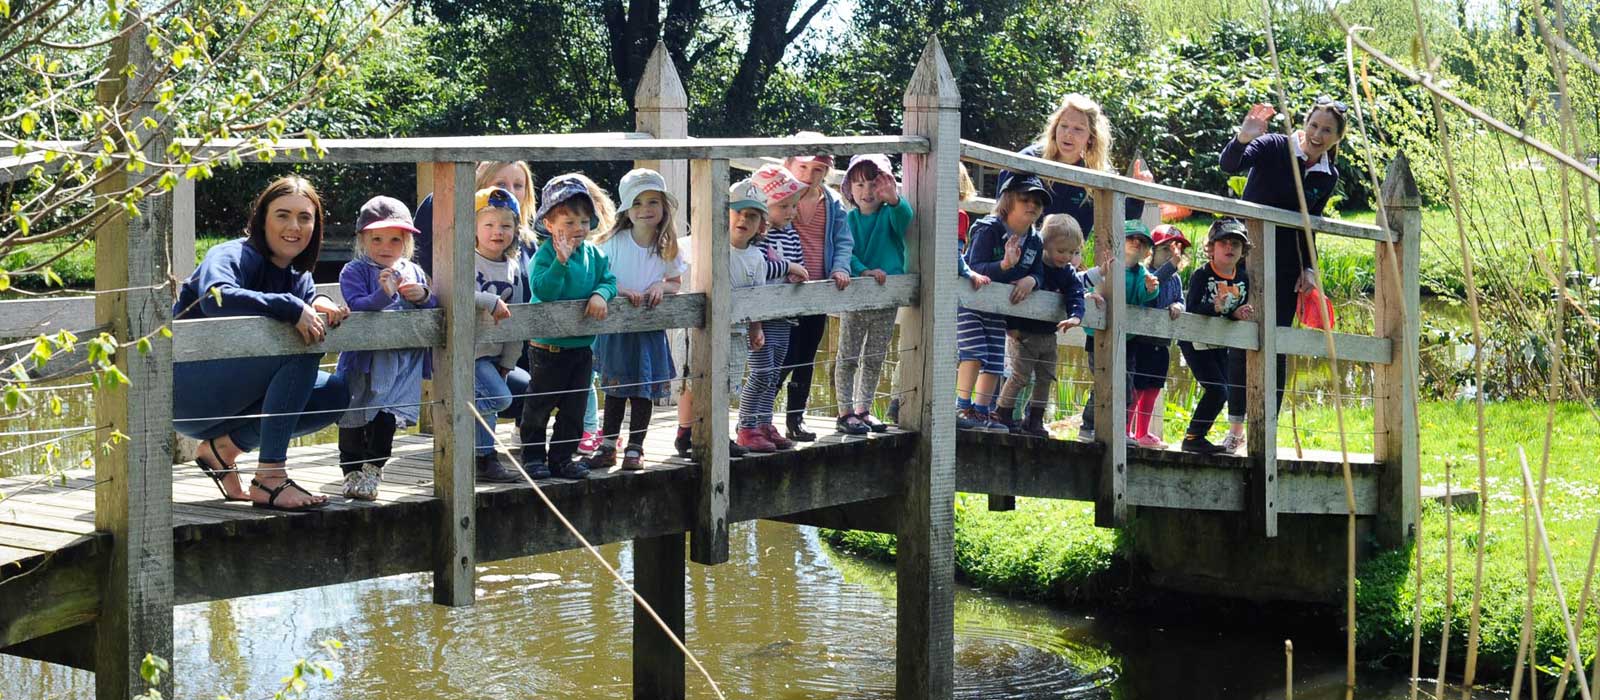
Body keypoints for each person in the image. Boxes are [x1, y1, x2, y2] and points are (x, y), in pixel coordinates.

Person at [172, 176, 350, 511]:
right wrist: (291, 306)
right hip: (181, 391)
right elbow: (215, 298)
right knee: (298, 342)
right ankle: (270, 479)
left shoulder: (299, 275)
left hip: (228, 405)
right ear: (261, 218)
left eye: (304, 217)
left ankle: (223, 449)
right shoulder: (231, 254)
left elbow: (304, 299)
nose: (293, 226)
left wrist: (318, 301)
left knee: (334, 393)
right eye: (282, 215)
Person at [1220, 97, 1346, 413]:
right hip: (1246, 259)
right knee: (1240, 338)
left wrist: (1308, 269)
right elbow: (1230, 164)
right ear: (1305, 122)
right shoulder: (1273, 146)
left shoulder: (1328, 175)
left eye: (1327, 130)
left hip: (1287, 269)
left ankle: (1269, 427)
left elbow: (1309, 225)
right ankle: (1237, 425)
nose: (1318, 135)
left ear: (1337, 137)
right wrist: (1244, 136)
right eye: (1314, 125)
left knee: (1276, 344)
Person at [335, 196, 437, 500]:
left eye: (395, 239)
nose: (385, 246)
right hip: (364, 361)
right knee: (353, 415)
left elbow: (432, 306)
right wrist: (384, 294)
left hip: (402, 363)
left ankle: (373, 471)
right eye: (376, 238)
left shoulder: (413, 271)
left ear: (405, 242)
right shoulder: (353, 271)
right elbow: (359, 306)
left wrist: (421, 296)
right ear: (363, 240)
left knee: (386, 418)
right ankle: (350, 471)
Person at [520, 175, 618, 479]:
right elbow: (544, 291)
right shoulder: (545, 255)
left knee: (575, 409)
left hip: (581, 346)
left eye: (584, 221)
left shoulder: (594, 254)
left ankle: (562, 458)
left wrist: (602, 293)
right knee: (539, 404)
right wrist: (560, 262)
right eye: (569, 222)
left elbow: (609, 280)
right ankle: (534, 457)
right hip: (548, 346)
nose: (578, 229)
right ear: (549, 225)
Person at [591, 169, 685, 470]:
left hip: (649, 329)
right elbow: (598, 278)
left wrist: (660, 286)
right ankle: (607, 445)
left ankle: (635, 448)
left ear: (663, 207)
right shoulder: (613, 242)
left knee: (644, 392)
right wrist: (619, 290)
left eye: (653, 202)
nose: (645, 209)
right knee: (616, 390)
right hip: (617, 329)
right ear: (626, 210)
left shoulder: (667, 245)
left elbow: (675, 282)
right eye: (638, 203)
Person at [957, 173, 1051, 433]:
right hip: (971, 303)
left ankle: (981, 411)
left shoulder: (1034, 240)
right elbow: (973, 267)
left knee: (996, 361)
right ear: (1009, 199)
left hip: (998, 310)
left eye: (1038, 202)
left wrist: (1031, 280)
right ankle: (962, 407)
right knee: (975, 353)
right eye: (1025, 199)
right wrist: (1004, 265)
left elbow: (1040, 273)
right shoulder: (989, 229)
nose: (1032, 205)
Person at [776, 137, 855, 441]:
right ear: (789, 165)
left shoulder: (832, 203)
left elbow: (844, 240)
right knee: (783, 354)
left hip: (818, 289)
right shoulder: (780, 199)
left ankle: (796, 418)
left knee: (806, 355)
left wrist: (840, 267)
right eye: (803, 167)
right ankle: (757, 418)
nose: (809, 175)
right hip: (784, 289)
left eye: (818, 169)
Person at [834, 154, 911, 436]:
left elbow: (905, 220)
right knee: (848, 356)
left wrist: (893, 199)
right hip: (856, 296)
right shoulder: (848, 219)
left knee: (875, 355)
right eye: (859, 185)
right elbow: (845, 252)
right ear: (849, 190)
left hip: (886, 297)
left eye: (873, 185)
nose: (867, 192)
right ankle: (845, 412)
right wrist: (863, 270)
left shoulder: (889, 214)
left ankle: (864, 409)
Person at [736, 165, 810, 452]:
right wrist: (789, 267)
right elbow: (761, 267)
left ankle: (764, 422)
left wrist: (795, 271)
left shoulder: (790, 234)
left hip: (784, 314)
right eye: (783, 205)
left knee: (775, 372)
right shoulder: (759, 238)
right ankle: (746, 425)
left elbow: (798, 261)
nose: (791, 212)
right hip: (762, 315)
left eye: (793, 205)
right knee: (761, 372)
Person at [995, 214, 1085, 438]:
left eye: (1072, 252)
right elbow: (1012, 296)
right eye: (1061, 251)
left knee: (1046, 377)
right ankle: (1003, 413)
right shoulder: (1032, 266)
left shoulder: (1067, 273)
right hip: (1023, 333)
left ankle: (1034, 419)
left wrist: (1076, 316)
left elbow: (1076, 292)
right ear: (1045, 245)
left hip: (1048, 334)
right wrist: (1011, 326)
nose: (1066, 257)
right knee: (1020, 375)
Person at [467, 187, 533, 483]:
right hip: (470, 353)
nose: (498, 232)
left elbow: (515, 319)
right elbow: (455, 295)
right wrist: (489, 301)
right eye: (489, 225)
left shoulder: (514, 267)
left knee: (515, 391)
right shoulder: (465, 260)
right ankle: (480, 454)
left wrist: (509, 361)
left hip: (495, 354)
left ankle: (489, 456)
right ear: (474, 228)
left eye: (506, 225)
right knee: (499, 398)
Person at [1076, 221, 1161, 442]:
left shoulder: (1142, 273)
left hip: (1128, 338)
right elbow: (1088, 285)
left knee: (1125, 387)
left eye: (1142, 241)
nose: (1136, 243)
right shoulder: (1107, 265)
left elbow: (1144, 296)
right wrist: (1091, 296)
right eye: (1131, 238)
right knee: (1103, 381)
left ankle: (1117, 431)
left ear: (1146, 251)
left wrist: (1151, 289)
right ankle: (1089, 425)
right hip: (1098, 336)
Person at [1179, 219, 1255, 455]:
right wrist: (1215, 307)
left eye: (1235, 243)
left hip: (1220, 342)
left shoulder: (1242, 278)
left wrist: (1236, 312)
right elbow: (1191, 309)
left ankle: (1196, 437)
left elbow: (1231, 311)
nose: (1229, 248)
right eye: (1223, 243)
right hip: (1195, 341)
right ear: (1211, 247)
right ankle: (1193, 438)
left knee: (1226, 389)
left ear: (1243, 250)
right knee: (1217, 390)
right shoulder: (1202, 275)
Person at [1126, 224, 1190, 449]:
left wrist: (1177, 305)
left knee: (1153, 389)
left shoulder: (1176, 280)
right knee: (1137, 388)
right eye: (1166, 250)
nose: (1173, 255)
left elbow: (1181, 300)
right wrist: (1171, 265)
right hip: (1143, 342)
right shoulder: (1147, 274)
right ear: (1152, 251)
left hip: (1162, 343)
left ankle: (1143, 432)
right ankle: (1127, 429)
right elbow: (1154, 286)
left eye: (1177, 251)